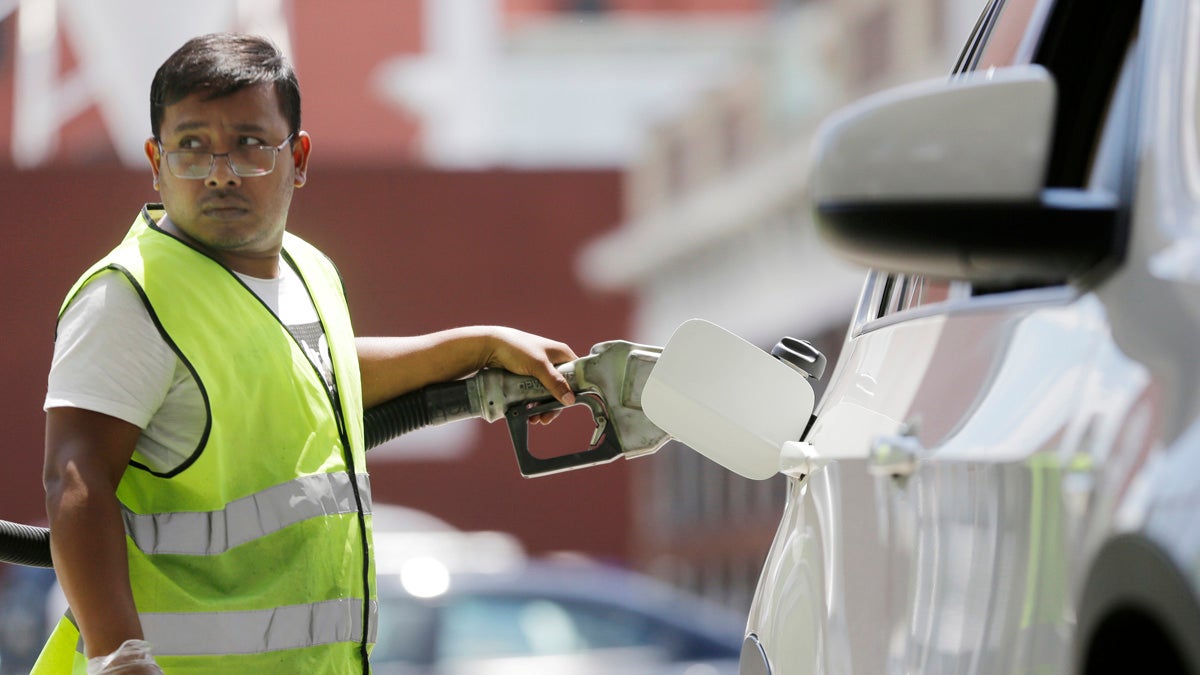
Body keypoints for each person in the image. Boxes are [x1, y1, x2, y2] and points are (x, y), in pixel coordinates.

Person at [33, 33, 578, 674]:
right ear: (156, 161)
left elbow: (315, 376)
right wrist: (118, 657)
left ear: (299, 157)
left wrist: (478, 347)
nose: (220, 170)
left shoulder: (307, 270)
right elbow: (74, 474)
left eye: (250, 144)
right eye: (191, 146)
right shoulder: (129, 296)